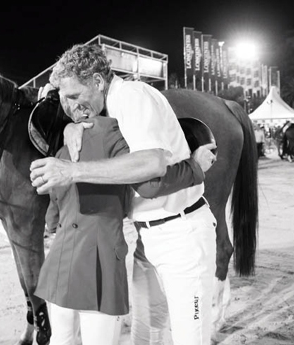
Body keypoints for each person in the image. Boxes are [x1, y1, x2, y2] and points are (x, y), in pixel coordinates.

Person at [30, 44, 218, 345]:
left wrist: (72, 171)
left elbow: (151, 166)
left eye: (74, 96)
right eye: (63, 99)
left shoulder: (131, 96)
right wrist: (71, 128)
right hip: (147, 237)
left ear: (97, 81)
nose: (68, 106)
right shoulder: (107, 108)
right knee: (145, 334)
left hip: (181, 233)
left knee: (189, 338)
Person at [35, 105, 132, 345]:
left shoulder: (60, 154)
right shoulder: (122, 142)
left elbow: (51, 218)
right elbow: (130, 204)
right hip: (99, 266)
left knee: (61, 340)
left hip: (61, 262)